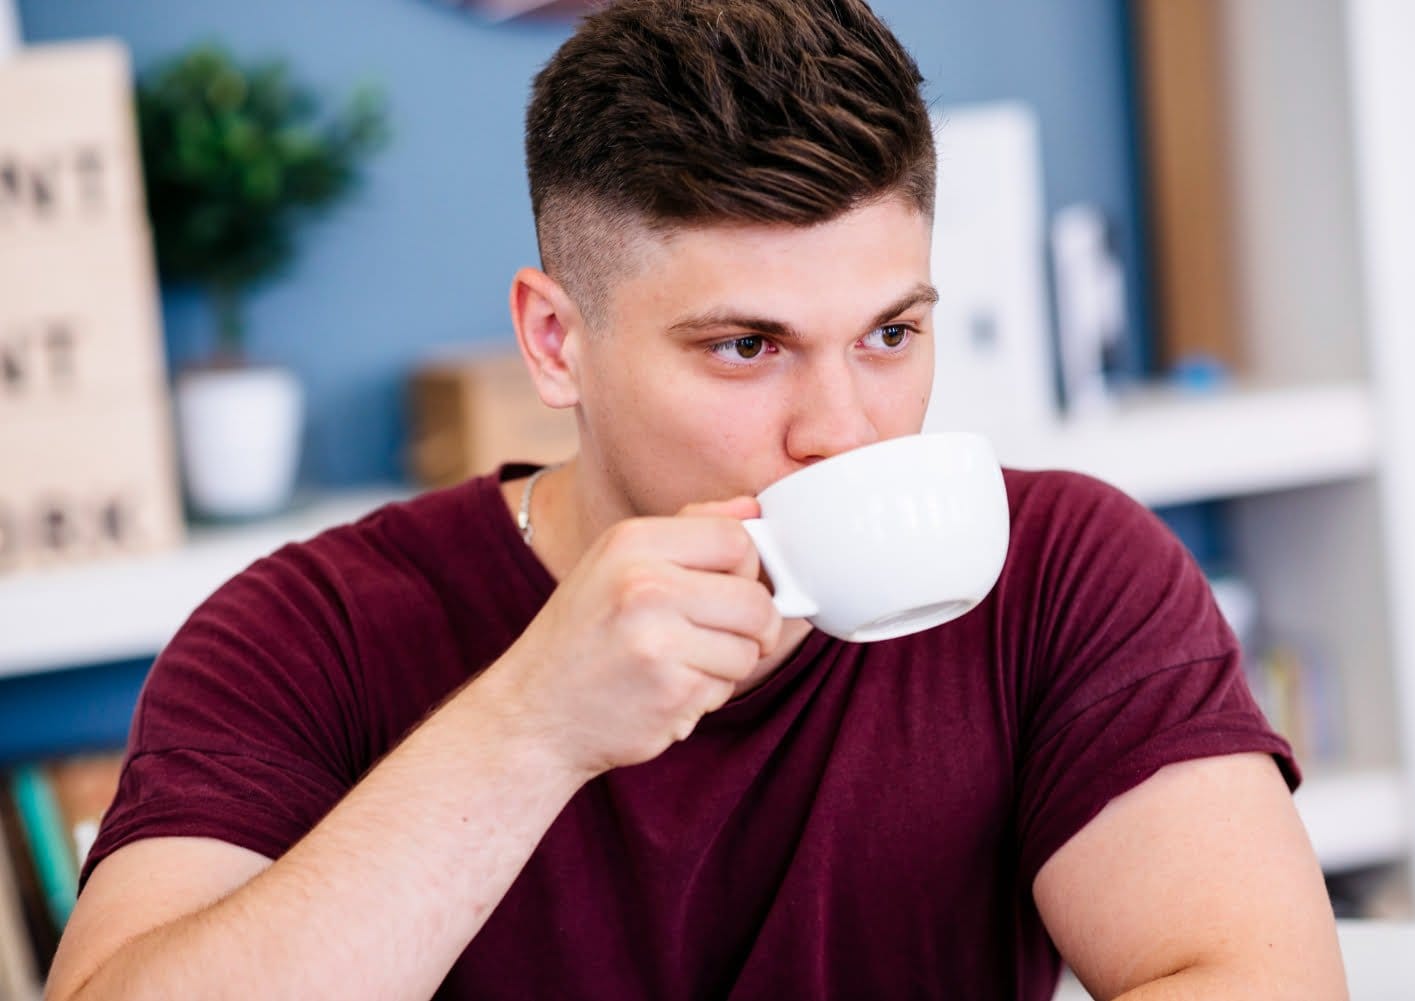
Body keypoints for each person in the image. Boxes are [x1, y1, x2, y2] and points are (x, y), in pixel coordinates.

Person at [46, 1, 1347, 998]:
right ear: (556, 343)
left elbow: (1254, 972)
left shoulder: (1062, 569)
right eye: (746, 346)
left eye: (891, 334)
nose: (843, 428)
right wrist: (529, 728)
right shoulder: (310, 632)